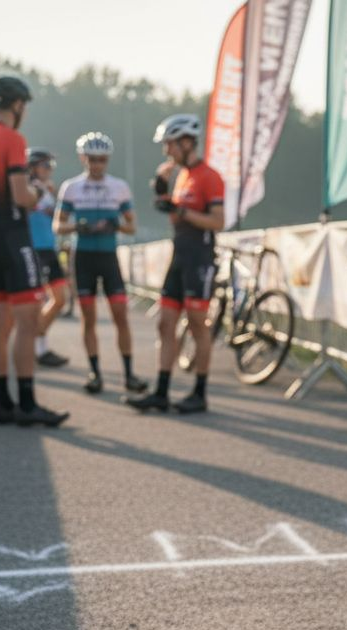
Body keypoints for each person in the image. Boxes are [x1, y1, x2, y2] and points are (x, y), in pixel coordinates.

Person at [0, 75, 69, 427]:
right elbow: (22, 196)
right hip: (12, 234)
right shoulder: (12, 139)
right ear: (18, 105)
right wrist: (39, 196)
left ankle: (4, 404)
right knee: (25, 321)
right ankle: (27, 404)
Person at [125, 114, 224, 414]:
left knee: (197, 325)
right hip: (179, 256)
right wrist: (162, 192)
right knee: (165, 323)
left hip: (200, 257)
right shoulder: (181, 175)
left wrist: (181, 211)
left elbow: (217, 222)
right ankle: (162, 391)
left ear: (185, 142)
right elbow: (175, 212)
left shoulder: (210, 176)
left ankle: (199, 392)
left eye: (169, 144)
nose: (166, 151)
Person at [53, 132, 148, 395]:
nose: (97, 165)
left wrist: (116, 223)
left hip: (109, 258)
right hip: (82, 258)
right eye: (93, 159)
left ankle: (129, 374)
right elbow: (58, 225)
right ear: (84, 158)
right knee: (88, 318)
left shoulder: (119, 187)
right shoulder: (71, 188)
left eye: (102, 160)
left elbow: (132, 227)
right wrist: (78, 226)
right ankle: (95, 372)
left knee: (121, 317)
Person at [27, 147, 70, 368]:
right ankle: (38, 349)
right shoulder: (28, 189)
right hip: (34, 250)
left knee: (60, 299)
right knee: (36, 303)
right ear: (33, 168)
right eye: (46, 166)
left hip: (49, 248)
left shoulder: (47, 189)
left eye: (51, 166)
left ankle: (35, 341)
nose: (49, 170)